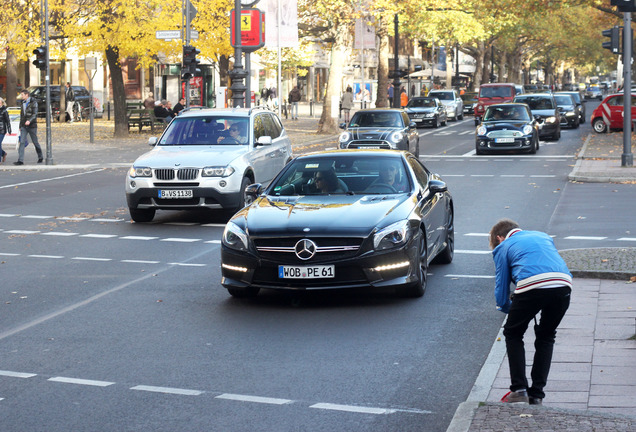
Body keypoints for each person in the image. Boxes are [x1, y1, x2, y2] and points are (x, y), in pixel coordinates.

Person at [489, 219, 573, 406]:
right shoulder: (543, 236)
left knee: (512, 333)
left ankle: (519, 389)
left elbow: (501, 285)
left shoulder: (504, 246)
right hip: (563, 284)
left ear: (499, 238)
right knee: (546, 336)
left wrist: (506, 308)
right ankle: (537, 394)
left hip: (532, 285)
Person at [14, 89, 43, 165]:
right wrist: (20, 125)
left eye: (22, 95)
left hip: (32, 125)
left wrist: (29, 120)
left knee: (35, 142)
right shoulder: (22, 103)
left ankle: (40, 156)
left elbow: (35, 114)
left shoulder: (34, 102)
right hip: (24, 126)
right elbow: (22, 116)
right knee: (22, 142)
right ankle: (20, 160)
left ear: (27, 95)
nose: (21, 96)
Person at [0, 97, 11, 163]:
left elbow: (7, 121)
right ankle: (3, 153)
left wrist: (9, 129)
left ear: (2, 103)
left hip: (2, 129)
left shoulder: (4, 110)